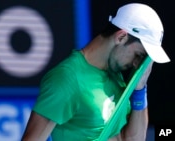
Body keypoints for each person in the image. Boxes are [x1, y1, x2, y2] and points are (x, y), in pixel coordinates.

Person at [22, 3, 170, 141]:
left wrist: (140, 89)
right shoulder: (67, 79)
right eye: (138, 55)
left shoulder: (115, 74)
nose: (136, 64)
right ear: (121, 37)